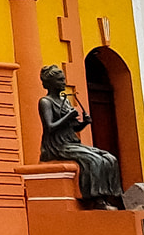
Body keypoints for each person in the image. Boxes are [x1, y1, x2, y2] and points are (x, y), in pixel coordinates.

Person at [37, 63, 125, 209]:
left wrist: (84, 123)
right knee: (93, 160)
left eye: (63, 79)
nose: (63, 83)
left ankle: (112, 196)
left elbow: (73, 127)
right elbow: (50, 127)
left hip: (72, 142)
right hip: (57, 145)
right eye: (59, 80)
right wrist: (69, 116)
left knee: (109, 158)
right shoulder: (46, 102)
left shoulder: (64, 101)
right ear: (50, 84)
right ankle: (96, 200)